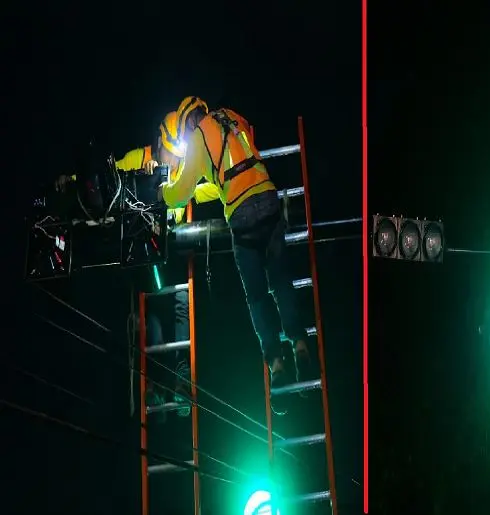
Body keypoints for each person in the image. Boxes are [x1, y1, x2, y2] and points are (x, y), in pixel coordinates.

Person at [54, 114, 219, 417]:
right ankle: (154, 385)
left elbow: (199, 188)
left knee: (182, 303)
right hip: (143, 250)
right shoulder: (137, 158)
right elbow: (106, 176)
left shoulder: (183, 169)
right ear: (160, 143)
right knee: (151, 314)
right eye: (170, 151)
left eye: (178, 154)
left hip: (173, 249)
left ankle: (181, 377)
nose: (174, 159)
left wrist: (226, 185)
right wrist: (74, 182)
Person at [157, 96, 314, 414]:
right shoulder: (230, 116)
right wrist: (202, 190)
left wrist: (161, 191)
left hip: (242, 216)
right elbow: (228, 171)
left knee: (257, 297)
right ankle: (300, 343)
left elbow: (181, 191)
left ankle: (277, 365)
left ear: (189, 121)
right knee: (282, 281)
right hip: (268, 197)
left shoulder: (199, 135)